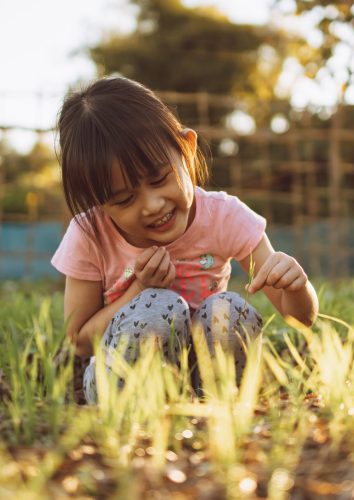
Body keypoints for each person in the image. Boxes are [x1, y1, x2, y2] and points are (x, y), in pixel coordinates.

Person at [51, 77, 318, 404]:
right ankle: (142, 413)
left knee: (228, 308)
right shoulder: (89, 233)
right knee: (157, 307)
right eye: (123, 200)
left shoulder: (223, 217)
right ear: (98, 201)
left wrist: (296, 287)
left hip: (206, 376)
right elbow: (79, 341)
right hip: (125, 385)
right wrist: (138, 291)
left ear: (187, 149)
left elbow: (300, 319)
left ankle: (219, 404)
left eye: (160, 179)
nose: (152, 205)